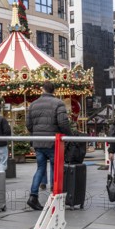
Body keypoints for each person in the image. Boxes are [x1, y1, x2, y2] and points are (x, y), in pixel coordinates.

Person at [26, 81, 72, 210]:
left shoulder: (33, 104)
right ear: (54, 91)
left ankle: (33, 196)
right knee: (55, 166)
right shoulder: (58, 103)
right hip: (53, 141)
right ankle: (55, 193)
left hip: (39, 141)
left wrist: (36, 133)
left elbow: (28, 124)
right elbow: (63, 122)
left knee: (40, 168)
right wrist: (69, 135)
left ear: (42, 89)